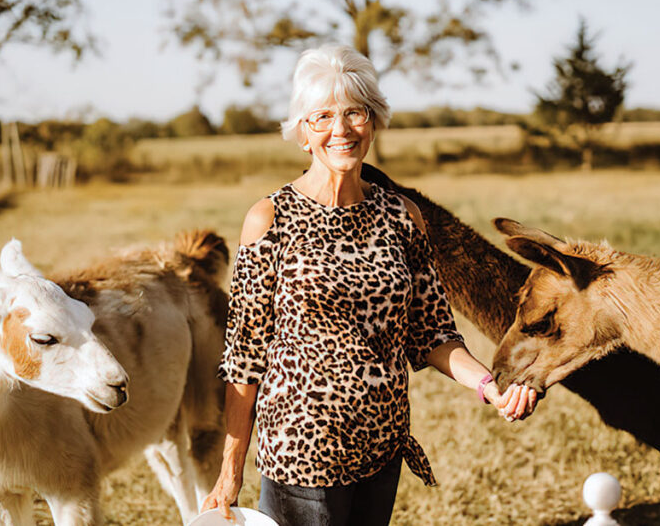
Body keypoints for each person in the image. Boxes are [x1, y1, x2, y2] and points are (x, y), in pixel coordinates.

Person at [202, 44, 538, 526]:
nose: (340, 130)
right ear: (302, 134)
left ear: (374, 121)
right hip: (302, 454)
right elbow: (245, 358)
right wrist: (229, 472)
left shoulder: (402, 217)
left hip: (382, 447)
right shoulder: (269, 219)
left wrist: (490, 386)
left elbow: (433, 334)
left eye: (354, 113)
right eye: (321, 117)